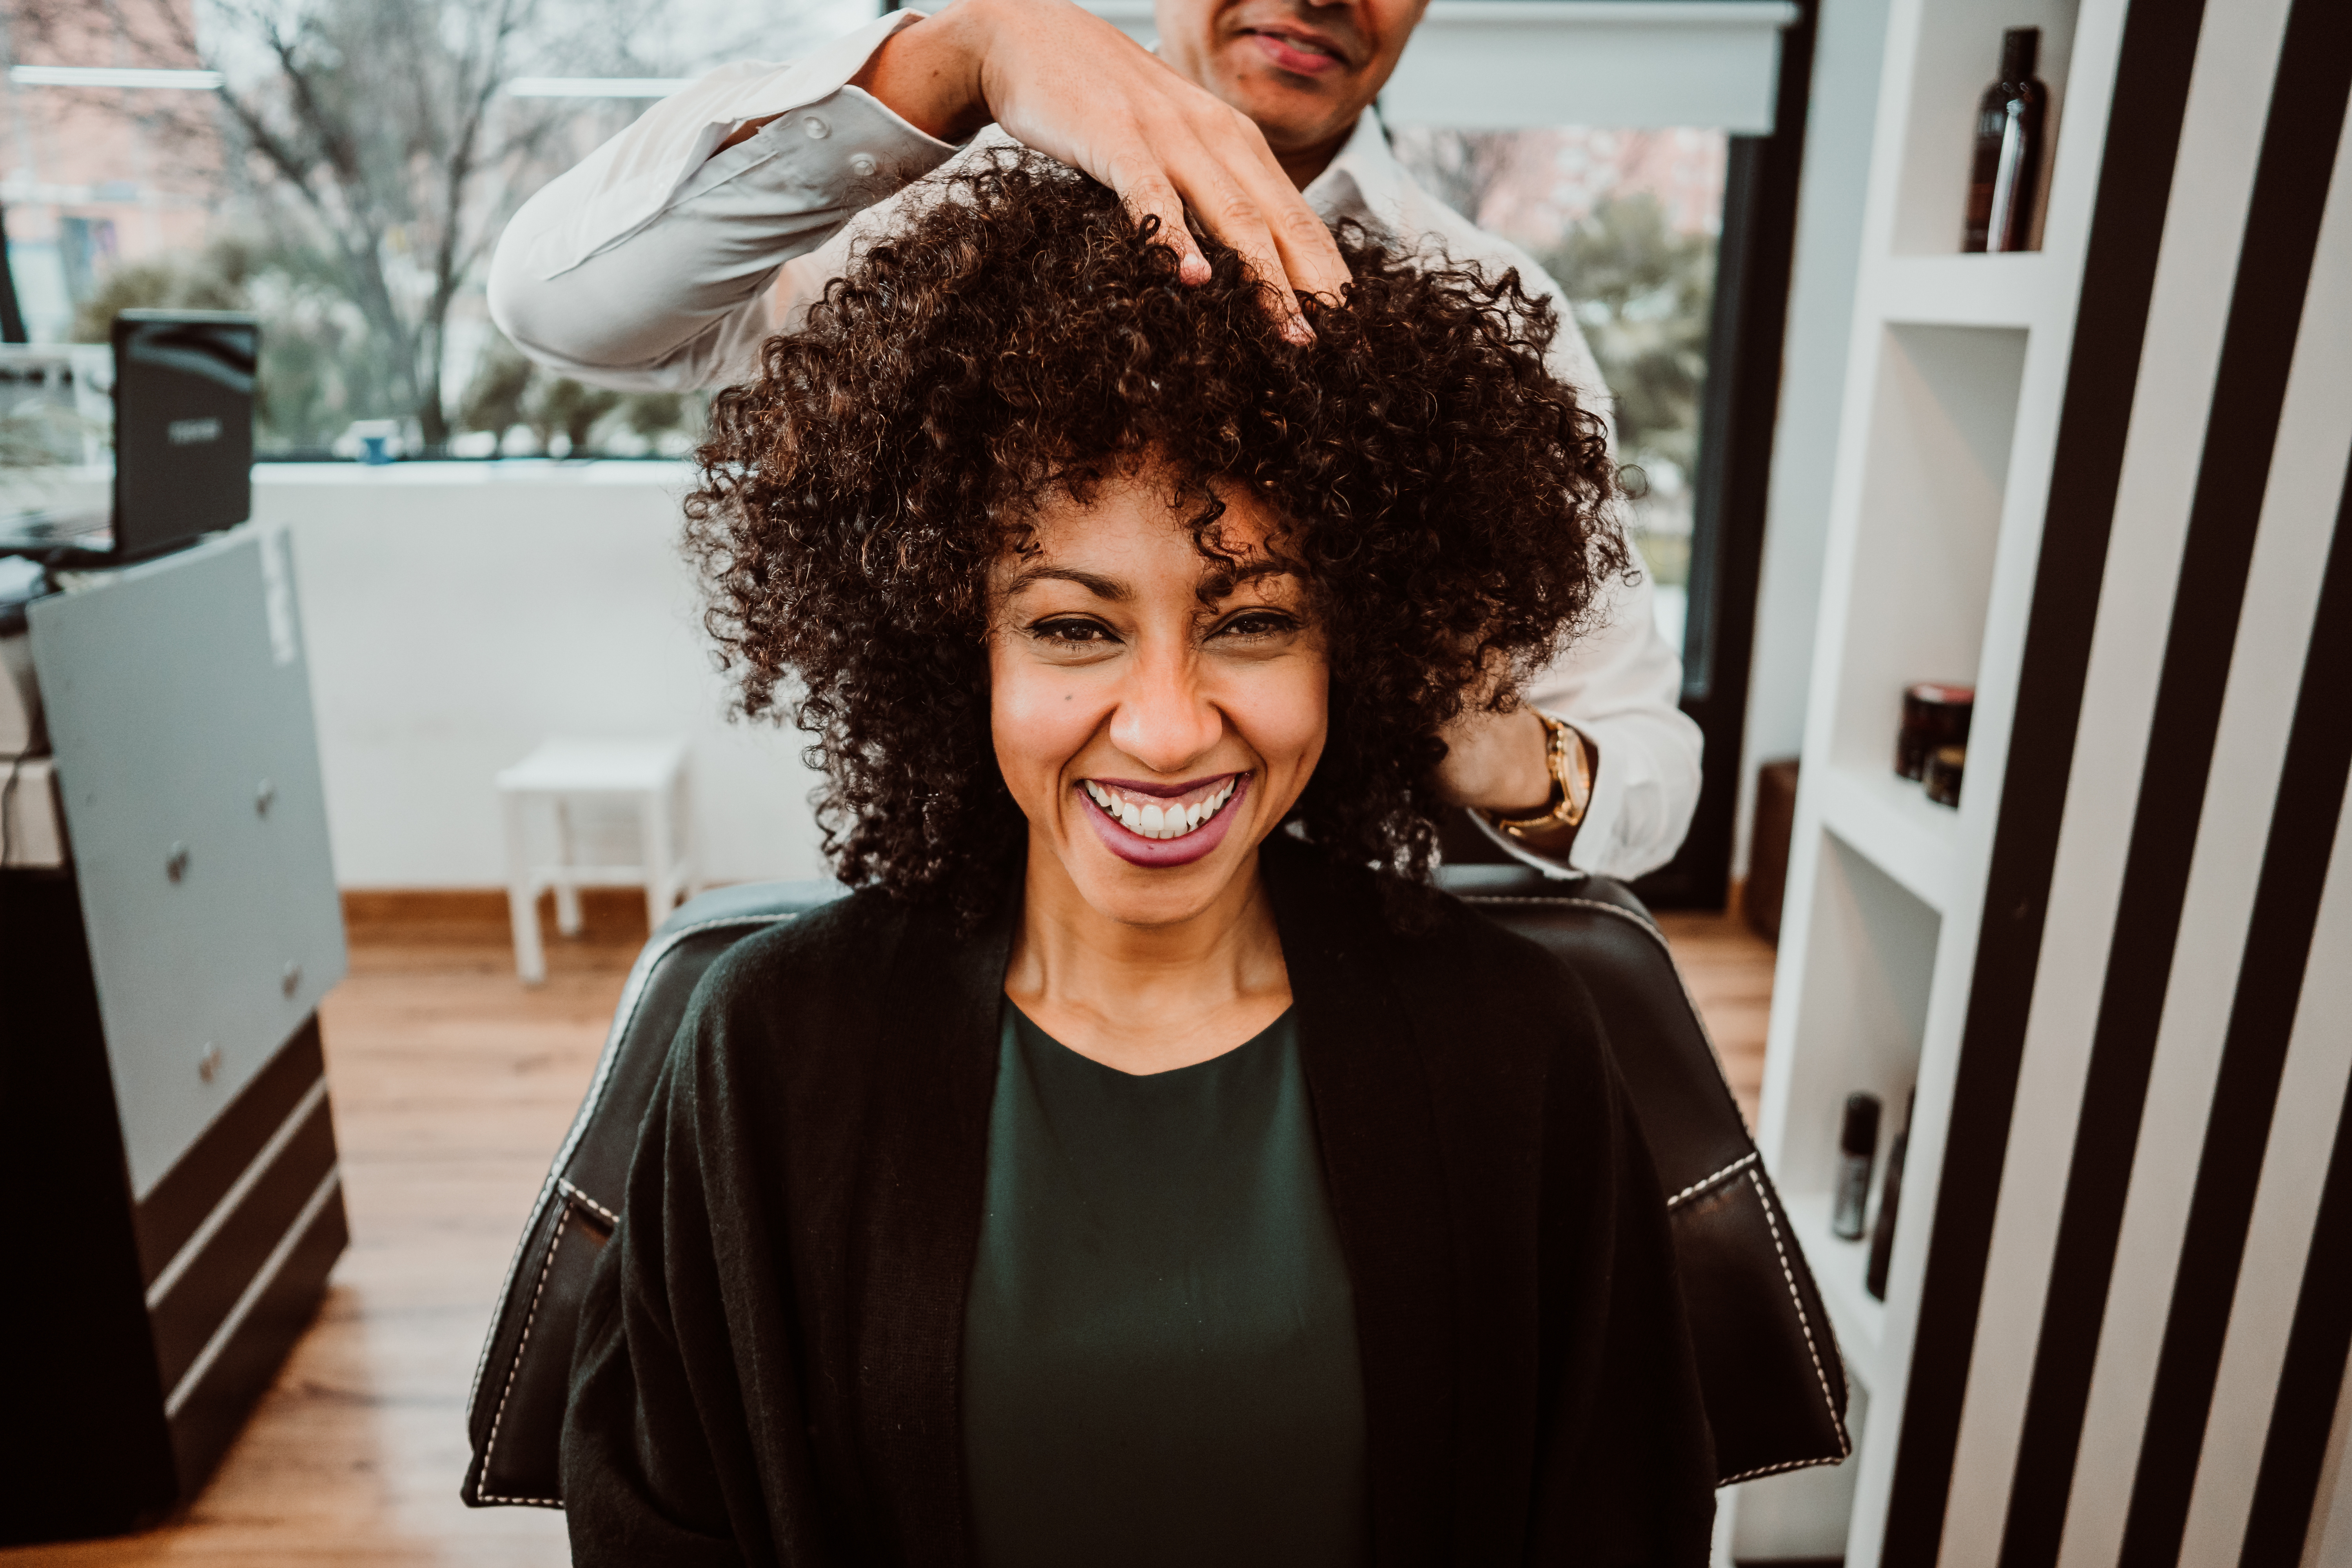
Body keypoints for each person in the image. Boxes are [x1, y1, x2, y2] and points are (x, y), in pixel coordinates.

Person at [558, 153, 1713, 1565]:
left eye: (1251, 622)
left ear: (1360, 645)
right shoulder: (770, 1052)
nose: (1165, 731)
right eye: (1071, 626)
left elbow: (1623, 1513)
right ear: (949, 645)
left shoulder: (1515, 1049)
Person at [486, 0, 1705, 883]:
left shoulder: (1486, 305)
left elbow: (1647, 773)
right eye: (1075, 624)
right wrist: (965, 55)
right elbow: (561, 308)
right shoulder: (918, 235)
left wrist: (1469, 742)